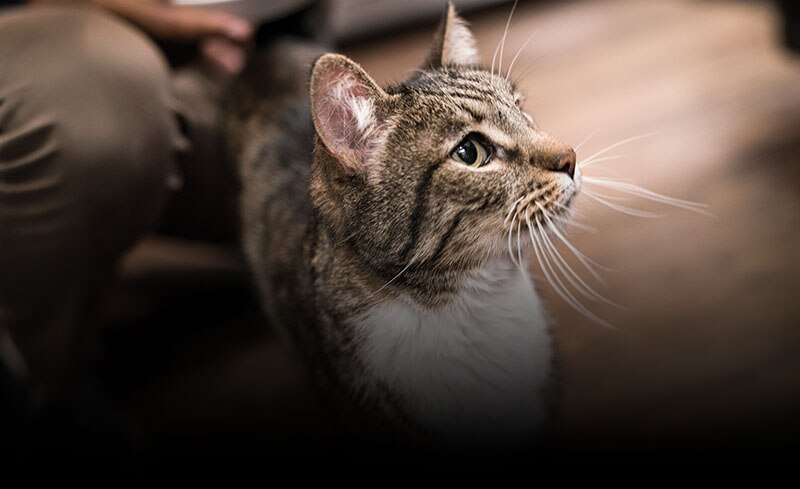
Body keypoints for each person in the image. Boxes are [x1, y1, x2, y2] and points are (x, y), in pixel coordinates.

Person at [0, 0, 321, 443]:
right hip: (43, 39)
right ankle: (46, 394)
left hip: (219, 44)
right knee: (97, 100)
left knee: (340, 180)